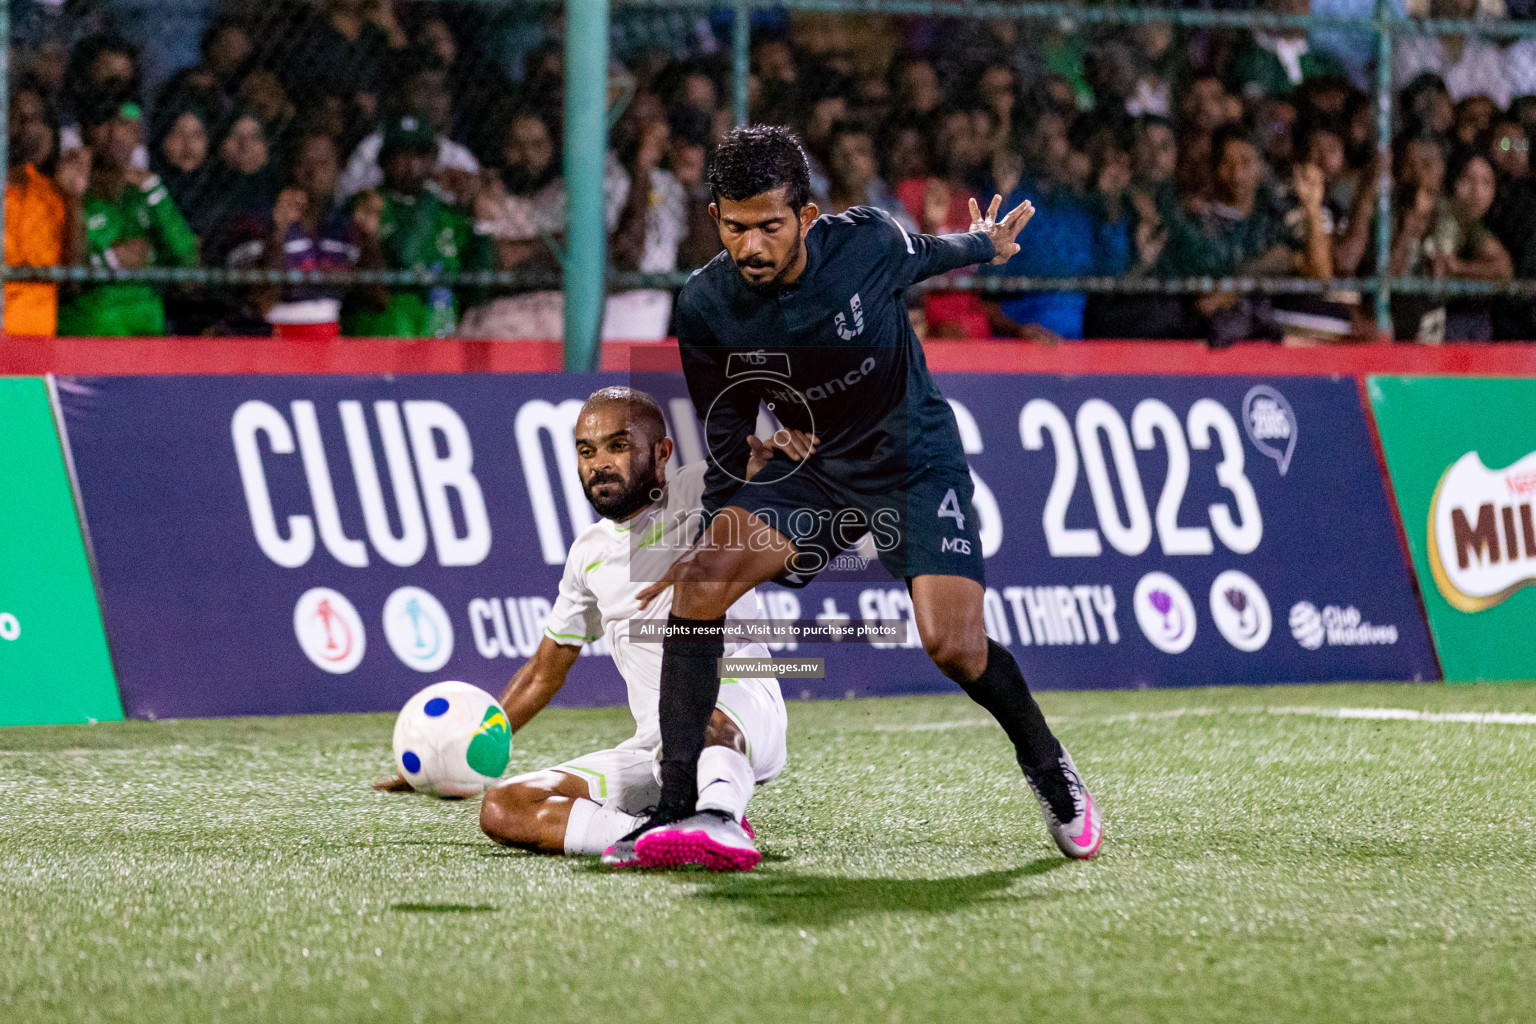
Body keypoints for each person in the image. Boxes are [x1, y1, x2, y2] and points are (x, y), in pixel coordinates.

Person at [612, 126, 1102, 870]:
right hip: (813, 469)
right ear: (716, 217)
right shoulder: (707, 305)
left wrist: (985, 244)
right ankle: (677, 809)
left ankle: (1046, 762)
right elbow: (729, 427)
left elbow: (931, 255)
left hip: (912, 462)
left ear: (807, 218)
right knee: (703, 583)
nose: (751, 247)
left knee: (954, 646)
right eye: (735, 227)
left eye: (769, 227)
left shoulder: (867, 242)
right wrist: (707, 535)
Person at [458, 389, 791, 869]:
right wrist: (463, 752)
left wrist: (781, 454)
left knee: (705, 724)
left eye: (617, 446)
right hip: (657, 745)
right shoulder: (587, 554)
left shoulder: (704, 492)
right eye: (586, 451)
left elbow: (769, 470)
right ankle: (652, 835)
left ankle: (719, 820)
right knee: (504, 807)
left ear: (661, 454)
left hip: (741, 705)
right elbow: (543, 673)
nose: (599, 464)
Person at [57, 93, 199, 337]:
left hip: (146, 343)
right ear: (83, 133)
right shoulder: (66, 192)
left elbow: (189, 275)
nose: (115, 134)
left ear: (138, 136)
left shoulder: (149, 192)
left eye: (125, 124)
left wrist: (157, 198)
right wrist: (114, 260)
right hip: (86, 341)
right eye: (104, 122)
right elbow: (70, 283)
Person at [340, 115, 490, 338]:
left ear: (433, 160)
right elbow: (406, 257)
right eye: (401, 154)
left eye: (420, 153)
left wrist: (482, 222)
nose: (411, 163)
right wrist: (429, 199)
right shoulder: (368, 204)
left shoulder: (448, 212)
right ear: (384, 161)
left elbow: (479, 289)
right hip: (385, 325)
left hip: (442, 320)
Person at [6, 78, 87, 337]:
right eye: (19, 118)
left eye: (37, 119)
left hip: (39, 342)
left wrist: (74, 198)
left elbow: (74, 279)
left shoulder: (55, 195)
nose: (29, 129)